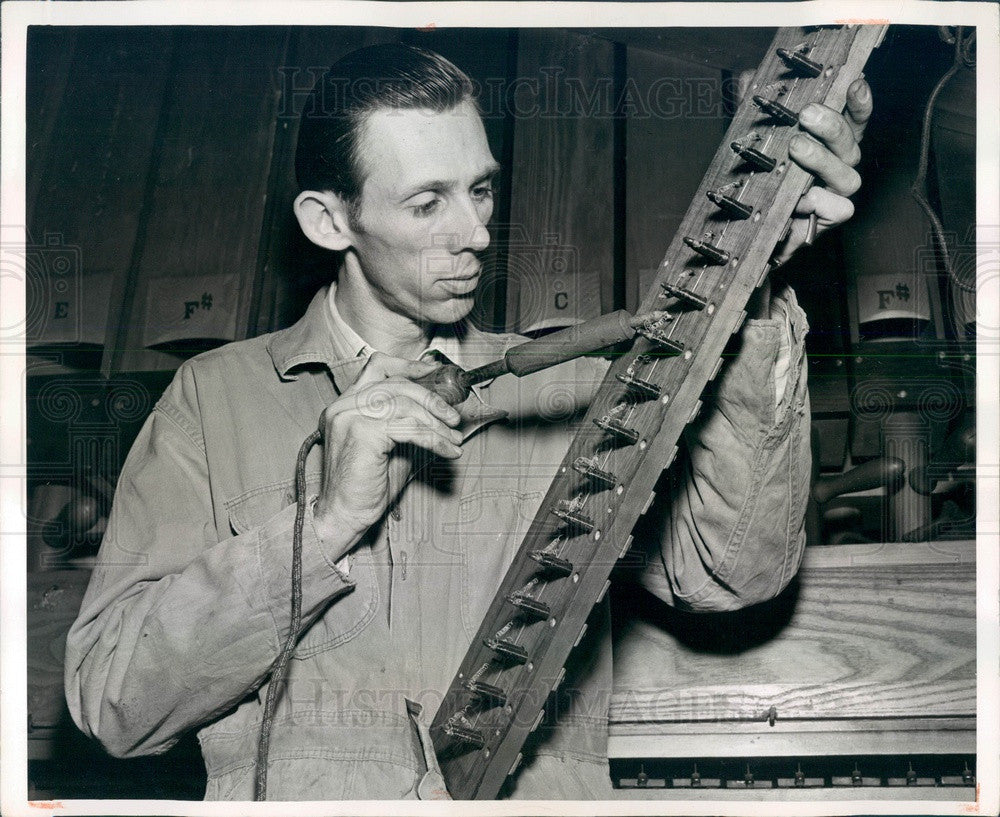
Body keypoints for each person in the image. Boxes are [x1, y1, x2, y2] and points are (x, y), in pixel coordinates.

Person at [65, 43, 872, 800]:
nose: (477, 233)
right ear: (328, 220)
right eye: (428, 202)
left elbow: (730, 576)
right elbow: (114, 704)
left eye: (480, 188)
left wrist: (755, 284)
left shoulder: (571, 388)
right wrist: (323, 525)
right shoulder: (213, 400)